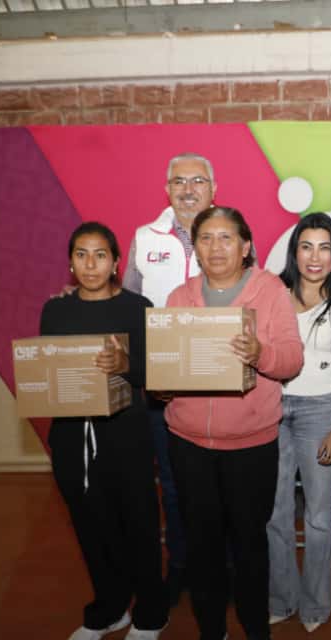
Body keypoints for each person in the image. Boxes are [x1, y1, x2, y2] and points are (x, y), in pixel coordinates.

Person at [163, 206, 303, 640]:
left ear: (246, 247)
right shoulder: (180, 297)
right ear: (195, 247)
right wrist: (160, 383)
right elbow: (163, 367)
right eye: (206, 238)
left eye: (226, 238)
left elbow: (292, 360)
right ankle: (211, 630)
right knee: (201, 542)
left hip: (251, 444)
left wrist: (260, 353)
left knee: (249, 542)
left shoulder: (271, 290)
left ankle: (257, 629)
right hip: (189, 443)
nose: (216, 247)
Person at [39, 222, 167, 640]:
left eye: (100, 255)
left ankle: (150, 613)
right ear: (70, 262)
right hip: (71, 437)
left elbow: (158, 374)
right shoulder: (55, 311)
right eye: (81, 254)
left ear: (115, 263)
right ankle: (110, 608)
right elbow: (48, 371)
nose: (90, 264)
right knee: (91, 527)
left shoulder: (138, 307)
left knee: (139, 526)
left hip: (126, 435)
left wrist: (124, 363)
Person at [123, 152, 217, 607]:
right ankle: (181, 565)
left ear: (213, 189)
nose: (188, 189)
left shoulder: (230, 234)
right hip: (163, 387)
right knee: (175, 485)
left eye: (198, 181)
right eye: (179, 181)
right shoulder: (145, 238)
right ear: (167, 189)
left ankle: (221, 567)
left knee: (218, 484)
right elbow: (126, 304)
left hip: (218, 382)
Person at [266, 212, 331, 633]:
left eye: (324, 248)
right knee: (275, 512)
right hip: (272, 409)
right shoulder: (272, 294)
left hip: (321, 411)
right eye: (306, 246)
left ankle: (316, 604)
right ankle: (282, 598)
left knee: (320, 516)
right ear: (295, 252)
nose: (314, 257)